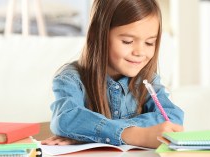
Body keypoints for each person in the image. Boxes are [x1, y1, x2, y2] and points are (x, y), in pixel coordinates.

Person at [41, 0, 184, 149]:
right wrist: (135, 135)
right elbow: (66, 118)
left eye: (149, 43)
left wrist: (92, 133)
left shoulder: (147, 79)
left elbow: (173, 118)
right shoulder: (70, 79)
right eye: (127, 41)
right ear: (99, 35)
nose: (140, 52)